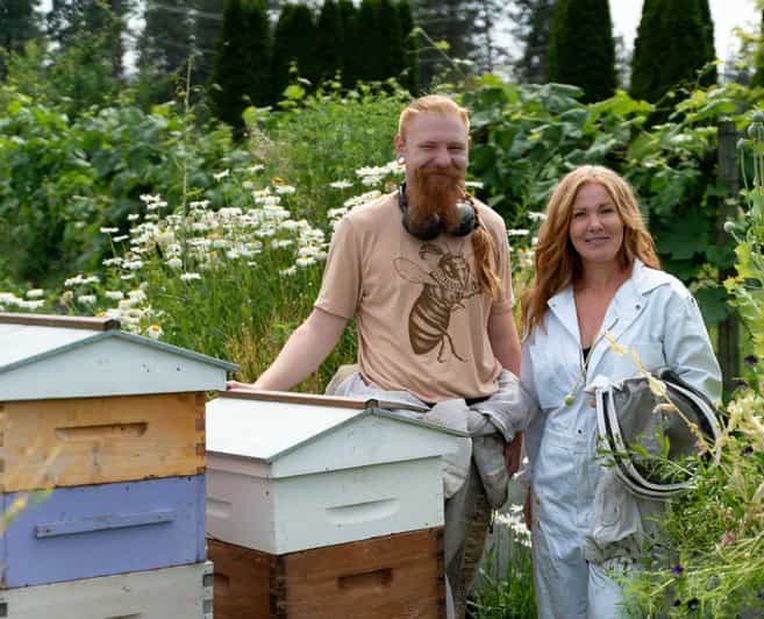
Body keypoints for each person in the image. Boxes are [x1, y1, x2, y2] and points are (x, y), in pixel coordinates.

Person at [228, 94, 527, 618]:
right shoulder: (361, 227)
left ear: (469, 152)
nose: (442, 158)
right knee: (392, 581)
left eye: (454, 147)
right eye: (428, 146)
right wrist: (260, 392)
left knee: (455, 581)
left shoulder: (491, 228)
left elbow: (502, 328)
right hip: (392, 432)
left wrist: (516, 420)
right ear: (401, 150)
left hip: (474, 426)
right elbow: (323, 324)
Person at [519, 165, 722, 618]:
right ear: (563, 228)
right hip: (557, 499)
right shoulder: (546, 307)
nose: (594, 225)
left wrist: (645, 416)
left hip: (635, 500)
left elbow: (703, 393)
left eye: (605, 211)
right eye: (580, 215)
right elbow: (532, 408)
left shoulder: (664, 297)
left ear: (625, 218)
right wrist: (532, 486)